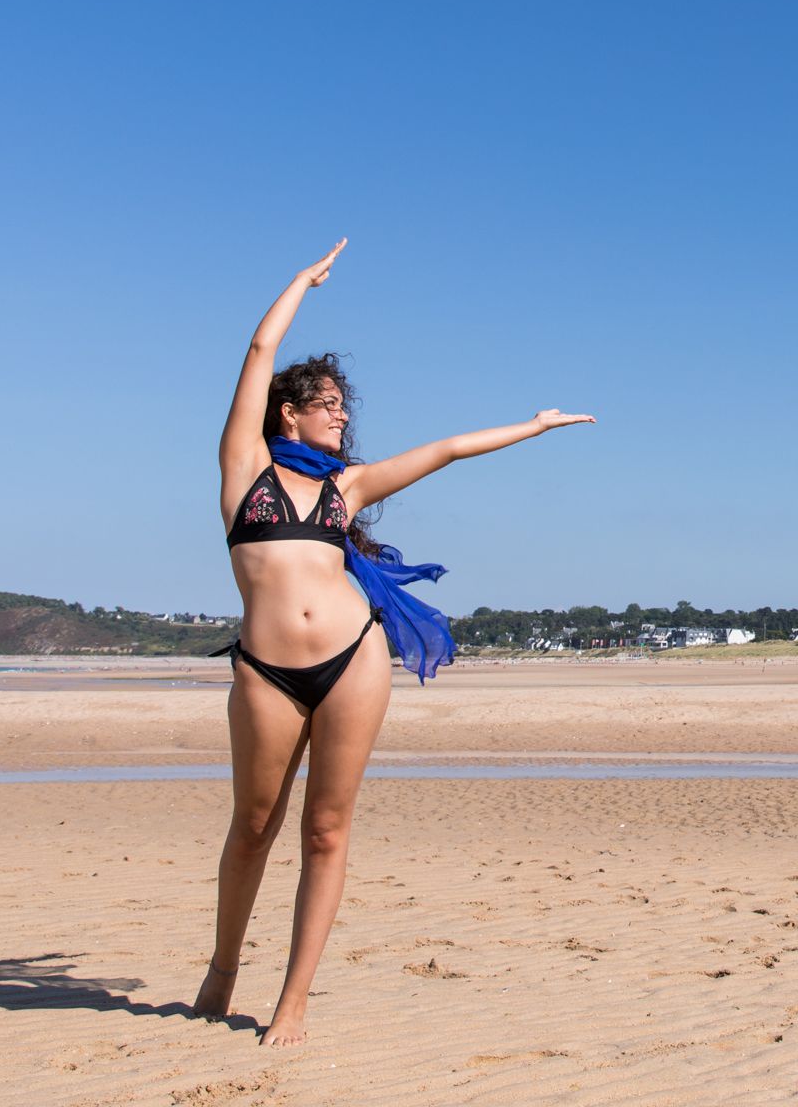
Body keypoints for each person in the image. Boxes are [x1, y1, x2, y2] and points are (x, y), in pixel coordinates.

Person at [189, 239, 594, 1045]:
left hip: (352, 662)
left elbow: (443, 451)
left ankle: (293, 1002)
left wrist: (535, 427)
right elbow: (260, 348)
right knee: (254, 827)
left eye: (344, 404)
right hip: (266, 672)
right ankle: (224, 968)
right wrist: (302, 283)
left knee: (327, 830)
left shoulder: (350, 487)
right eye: (328, 402)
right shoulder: (245, 472)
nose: (343, 414)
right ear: (288, 412)